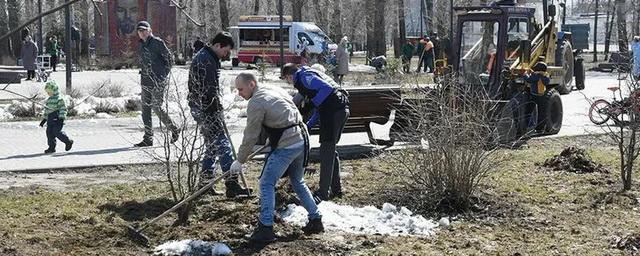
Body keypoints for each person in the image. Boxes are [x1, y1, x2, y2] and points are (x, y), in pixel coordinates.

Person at [230, 73, 324, 243]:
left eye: (241, 89)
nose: (239, 93)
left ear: (252, 84)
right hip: (302, 139)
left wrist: (240, 160)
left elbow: (251, 134)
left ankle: (265, 228)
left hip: (287, 144)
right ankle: (315, 219)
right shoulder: (272, 89)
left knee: (266, 183)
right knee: (297, 180)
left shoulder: (256, 102)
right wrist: (273, 136)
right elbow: (286, 112)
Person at [188, 31, 252, 197]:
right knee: (222, 144)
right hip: (205, 108)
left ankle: (205, 183)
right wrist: (216, 110)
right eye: (225, 51)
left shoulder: (209, 57)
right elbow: (208, 90)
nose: (226, 55)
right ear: (217, 45)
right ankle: (232, 185)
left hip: (204, 106)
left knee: (211, 145)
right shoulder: (206, 60)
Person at [280, 63, 350, 202]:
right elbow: (322, 103)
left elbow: (327, 89)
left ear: (289, 76)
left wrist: (312, 103)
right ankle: (336, 189)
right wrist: (309, 125)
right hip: (337, 110)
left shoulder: (305, 77)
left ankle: (323, 193)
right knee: (330, 149)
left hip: (334, 111)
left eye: (286, 79)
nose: (289, 83)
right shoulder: (307, 76)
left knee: (326, 151)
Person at [134, 21, 179, 147]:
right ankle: (148, 138)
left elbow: (170, 60)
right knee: (145, 110)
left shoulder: (157, 42)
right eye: (139, 31)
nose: (141, 33)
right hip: (145, 80)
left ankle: (174, 128)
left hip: (158, 81)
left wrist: (162, 75)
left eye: (144, 30)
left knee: (156, 107)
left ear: (150, 30)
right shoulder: (141, 44)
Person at [40, 80, 73, 154]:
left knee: (57, 132)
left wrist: (61, 118)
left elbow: (63, 109)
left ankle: (68, 141)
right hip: (50, 120)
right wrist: (44, 119)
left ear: (54, 90)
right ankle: (51, 147)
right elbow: (47, 111)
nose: (48, 93)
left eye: (49, 91)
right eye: (47, 92)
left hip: (58, 119)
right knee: (49, 133)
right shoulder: (49, 100)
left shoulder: (60, 99)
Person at [523, 61, 550, 134]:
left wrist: (525, 74)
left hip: (534, 95)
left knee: (528, 111)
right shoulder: (546, 75)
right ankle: (540, 129)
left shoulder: (536, 75)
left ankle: (527, 127)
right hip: (542, 95)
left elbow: (529, 80)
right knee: (542, 113)